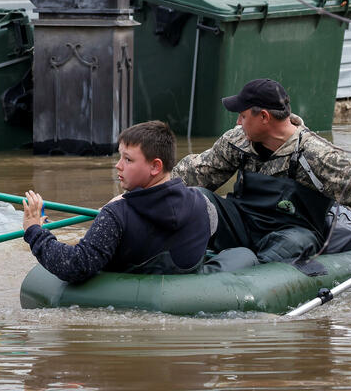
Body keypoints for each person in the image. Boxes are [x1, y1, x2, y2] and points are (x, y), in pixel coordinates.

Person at [171, 78, 351, 266]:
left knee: (292, 244)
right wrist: (141, 196)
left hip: (293, 231)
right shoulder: (237, 141)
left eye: (243, 115)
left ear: (264, 117)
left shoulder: (315, 154)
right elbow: (195, 173)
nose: (238, 122)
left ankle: (252, 275)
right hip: (242, 221)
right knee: (195, 197)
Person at [21, 120, 212, 283]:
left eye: (127, 160)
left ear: (155, 166)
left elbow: (75, 265)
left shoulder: (116, 215)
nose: (118, 166)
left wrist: (34, 231)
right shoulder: (202, 204)